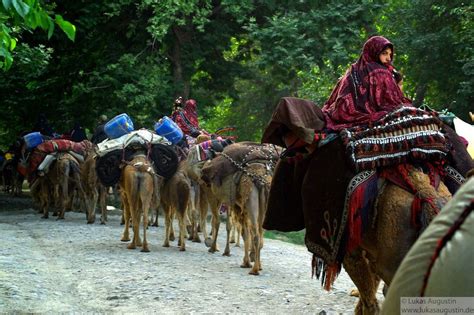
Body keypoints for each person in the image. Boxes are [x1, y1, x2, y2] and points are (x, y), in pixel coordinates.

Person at [322, 35, 411, 131]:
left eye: (390, 54)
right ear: (374, 52)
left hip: (339, 113)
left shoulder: (352, 69)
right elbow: (394, 101)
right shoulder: (381, 71)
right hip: (363, 114)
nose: (389, 58)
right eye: (384, 53)